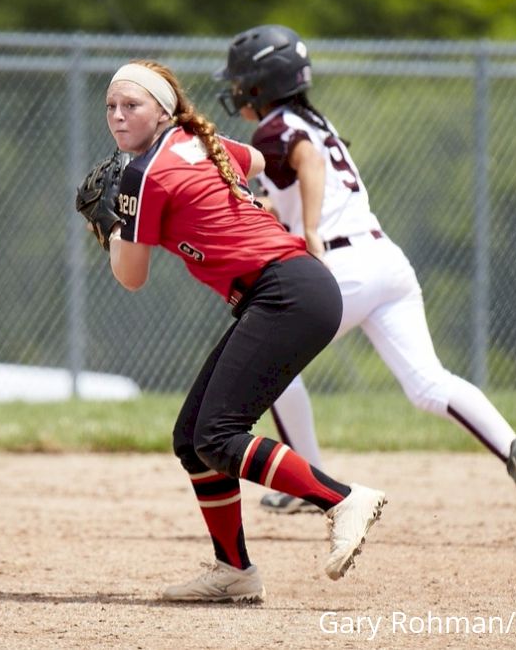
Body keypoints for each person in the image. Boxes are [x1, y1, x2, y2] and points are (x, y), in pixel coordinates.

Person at [214, 24, 516, 527]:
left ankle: (308, 482)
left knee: (271, 367)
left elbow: (304, 163)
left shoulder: (275, 129)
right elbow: (290, 185)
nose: (236, 89)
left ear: (263, 84)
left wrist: (308, 232)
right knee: (428, 384)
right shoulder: (314, 121)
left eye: (242, 80)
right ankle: (515, 451)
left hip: (341, 265)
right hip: (385, 262)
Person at [95, 59, 387, 604]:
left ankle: (342, 499)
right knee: (193, 440)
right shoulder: (195, 138)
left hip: (286, 292)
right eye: (110, 106)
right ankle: (234, 571)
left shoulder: (140, 175)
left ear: (163, 110)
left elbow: (130, 277)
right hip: (289, 288)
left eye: (131, 105)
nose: (117, 115)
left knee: (218, 437)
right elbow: (257, 162)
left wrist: (112, 225)